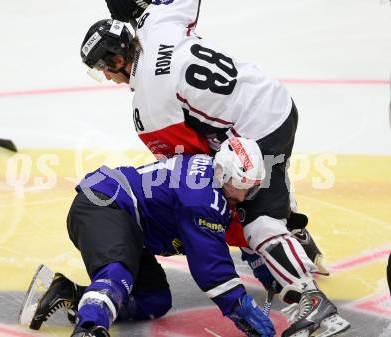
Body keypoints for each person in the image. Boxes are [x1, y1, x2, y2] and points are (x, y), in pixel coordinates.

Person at [81, 0, 328, 276]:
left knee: (251, 212)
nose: (107, 77)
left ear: (117, 60)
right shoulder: (158, 20)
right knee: (267, 173)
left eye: (104, 70)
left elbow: (196, 169)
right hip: (275, 100)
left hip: (257, 131)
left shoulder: (147, 108)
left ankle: (304, 287)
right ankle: (288, 220)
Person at [20, 138, 349, 337]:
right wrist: (239, 307)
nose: (245, 194)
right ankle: (89, 329)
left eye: (251, 187)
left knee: (153, 301)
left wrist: (255, 258)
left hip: (129, 224)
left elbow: (227, 234)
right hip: (103, 204)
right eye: (240, 185)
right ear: (223, 173)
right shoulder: (203, 197)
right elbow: (210, 266)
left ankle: (67, 292)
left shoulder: (214, 183)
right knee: (117, 273)